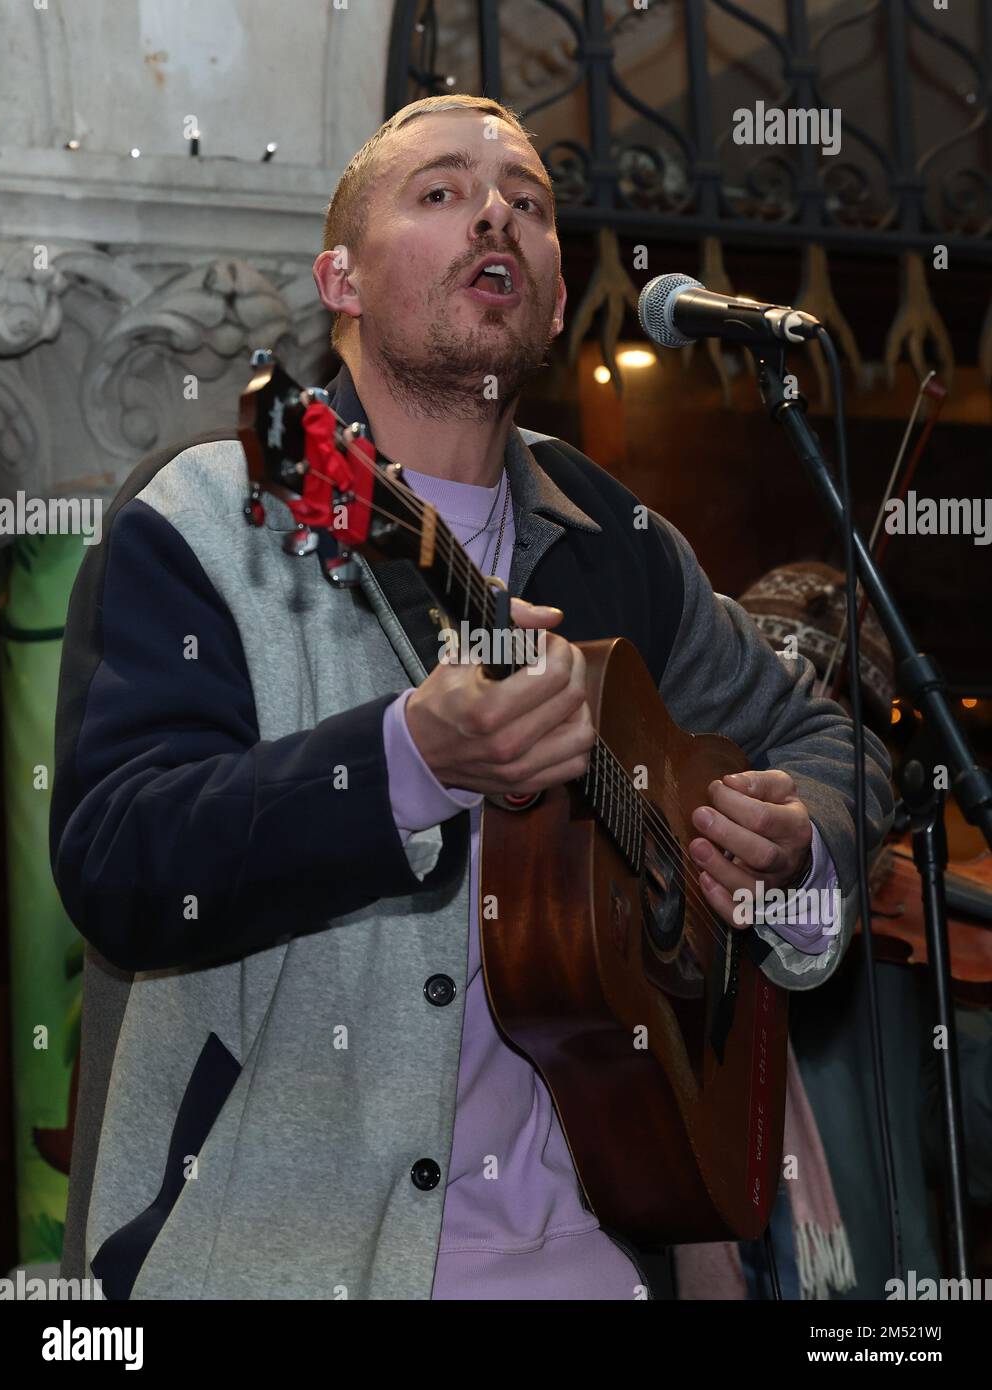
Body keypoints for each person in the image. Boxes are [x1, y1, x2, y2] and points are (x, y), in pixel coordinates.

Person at [49, 94, 893, 1301]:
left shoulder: (618, 539)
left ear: (554, 295)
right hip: (277, 1257)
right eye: (439, 192)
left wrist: (799, 836)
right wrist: (407, 759)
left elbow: (826, 736)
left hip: (601, 1259)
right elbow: (120, 859)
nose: (494, 211)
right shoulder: (203, 514)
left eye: (529, 205)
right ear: (337, 280)